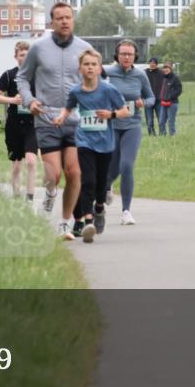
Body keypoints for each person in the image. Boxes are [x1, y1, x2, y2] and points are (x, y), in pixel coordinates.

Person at [16, 1, 92, 240]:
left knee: (75, 173)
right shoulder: (38, 48)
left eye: (68, 17)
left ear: (73, 19)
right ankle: (49, 196)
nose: (64, 21)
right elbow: (22, 78)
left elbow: (95, 80)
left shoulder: (84, 48)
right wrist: (30, 101)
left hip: (74, 118)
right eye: (59, 18)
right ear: (52, 22)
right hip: (47, 118)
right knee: (54, 176)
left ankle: (64, 223)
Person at [54, 49, 131, 243]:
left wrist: (110, 115)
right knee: (87, 180)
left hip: (105, 143)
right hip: (84, 141)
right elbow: (69, 107)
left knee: (101, 184)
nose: (90, 67)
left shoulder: (108, 90)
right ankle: (88, 222)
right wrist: (62, 116)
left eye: (93, 64)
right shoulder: (76, 91)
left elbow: (125, 111)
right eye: (86, 64)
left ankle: (98, 208)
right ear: (80, 69)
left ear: (99, 69)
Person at [103, 40, 155, 225]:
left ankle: (126, 211)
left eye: (130, 54)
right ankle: (105, 187)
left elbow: (151, 97)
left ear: (135, 56)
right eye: (123, 54)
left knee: (127, 165)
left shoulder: (140, 75)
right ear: (117, 55)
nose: (126, 57)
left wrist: (144, 103)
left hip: (132, 125)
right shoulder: (107, 72)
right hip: (111, 125)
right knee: (113, 166)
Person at [0, 41, 39, 202]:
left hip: (33, 124)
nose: (25, 59)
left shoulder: (38, 75)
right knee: (17, 166)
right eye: (21, 55)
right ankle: (17, 196)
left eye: (27, 55)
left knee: (31, 162)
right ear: (16, 57)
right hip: (13, 125)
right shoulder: (9, 75)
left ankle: (30, 198)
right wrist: (12, 100)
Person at [157, 62, 182, 136]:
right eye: (164, 68)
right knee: (161, 121)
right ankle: (162, 135)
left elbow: (179, 90)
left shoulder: (175, 78)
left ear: (171, 69)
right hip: (163, 103)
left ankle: (172, 136)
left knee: (171, 121)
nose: (165, 69)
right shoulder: (163, 77)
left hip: (172, 103)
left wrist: (170, 96)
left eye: (167, 68)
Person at [144, 57, 162, 136]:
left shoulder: (161, 73)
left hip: (158, 99)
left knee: (161, 118)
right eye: (151, 63)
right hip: (148, 99)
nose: (152, 64)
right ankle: (151, 134)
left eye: (154, 63)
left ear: (156, 64)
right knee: (149, 119)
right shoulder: (145, 73)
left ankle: (162, 133)